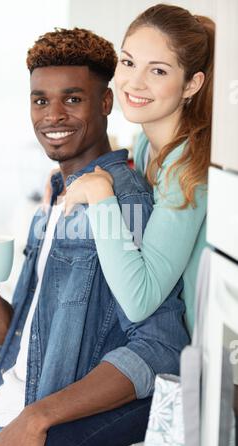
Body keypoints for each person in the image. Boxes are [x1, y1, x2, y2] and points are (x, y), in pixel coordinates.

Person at [0, 27, 189, 446]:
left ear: (105, 103)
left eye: (73, 99)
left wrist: (38, 417)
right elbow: (11, 341)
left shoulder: (124, 202)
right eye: (40, 100)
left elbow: (159, 346)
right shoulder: (54, 198)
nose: (53, 115)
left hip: (41, 432)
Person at [65, 4, 214, 335]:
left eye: (158, 71)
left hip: (206, 356)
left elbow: (139, 299)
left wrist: (99, 194)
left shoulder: (186, 168)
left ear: (191, 84)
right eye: (128, 62)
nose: (134, 82)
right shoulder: (147, 145)